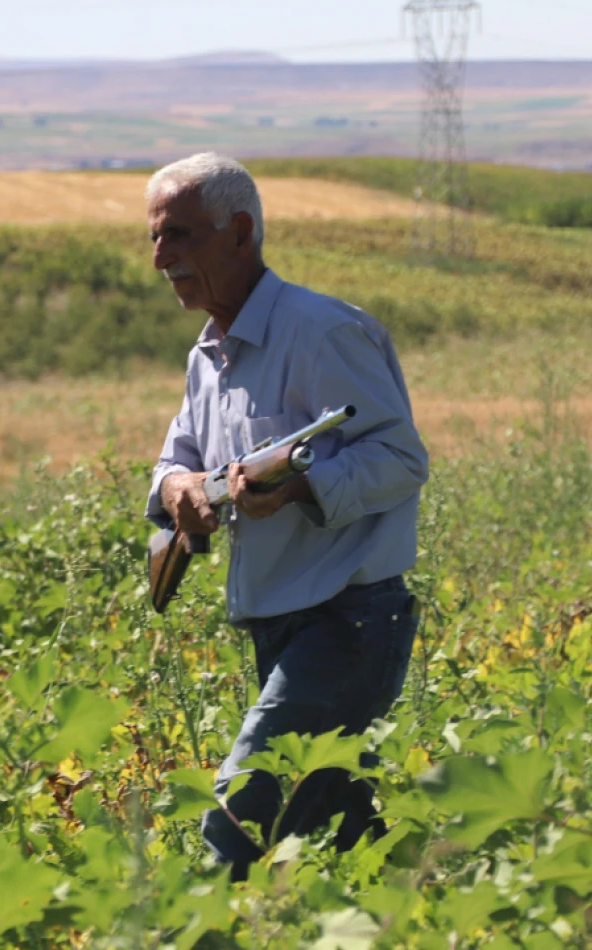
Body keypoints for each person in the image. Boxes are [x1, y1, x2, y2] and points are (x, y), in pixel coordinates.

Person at [143, 153, 430, 880]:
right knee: (342, 834)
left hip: (347, 621)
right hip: (279, 623)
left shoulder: (324, 332)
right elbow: (173, 463)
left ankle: (202, 927)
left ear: (239, 233)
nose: (159, 258)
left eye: (177, 235)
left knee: (238, 816)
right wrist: (181, 490)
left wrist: (300, 488)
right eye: (154, 238)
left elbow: (401, 459)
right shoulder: (207, 355)